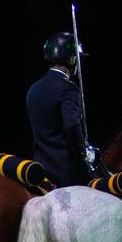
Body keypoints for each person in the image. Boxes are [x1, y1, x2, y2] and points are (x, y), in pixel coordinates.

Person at [24, 31, 96, 188]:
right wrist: (84, 154)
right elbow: (71, 126)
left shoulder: (34, 88)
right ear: (71, 58)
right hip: (66, 172)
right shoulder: (68, 89)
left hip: (40, 166)